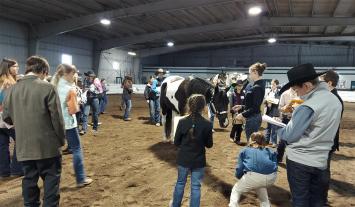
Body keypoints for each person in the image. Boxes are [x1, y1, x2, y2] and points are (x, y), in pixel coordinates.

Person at [2, 56, 65, 206]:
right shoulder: (48, 87)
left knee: (29, 181)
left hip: (24, 147)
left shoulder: (11, 90)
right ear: (43, 71)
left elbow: (6, 117)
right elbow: (57, 119)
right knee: (51, 183)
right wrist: (61, 140)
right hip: (47, 148)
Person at [277, 63, 342, 207]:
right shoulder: (334, 100)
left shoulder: (308, 105)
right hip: (322, 160)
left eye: (296, 90)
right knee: (318, 201)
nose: (296, 94)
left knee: (300, 200)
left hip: (301, 161)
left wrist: (280, 130)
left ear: (306, 86)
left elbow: (289, 135)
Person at [51, 64, 93, 187]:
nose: (75, 75)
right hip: (68, 123)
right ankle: (80, 178)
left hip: (54, 123)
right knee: (77, 149)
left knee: (54, 151)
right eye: (73, 73)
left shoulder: (53, 85)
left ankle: (52, 179)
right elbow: (73, 109)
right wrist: (79, 101)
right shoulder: (70, 88)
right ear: (67, 74)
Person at [171, 94, 213, 207]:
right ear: (203, 107)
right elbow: (209, 145)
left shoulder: (182, 121)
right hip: (198, 160)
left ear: (189, 106)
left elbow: (176, 143)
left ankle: (175, 205)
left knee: (180, 183)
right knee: (196, 186)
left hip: (183, 159)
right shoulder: (208, 124)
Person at [229, 132, 277, 207]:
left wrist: (239, 177)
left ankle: (233, 205)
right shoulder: (270, 151)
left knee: (236, 190)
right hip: (272, 177)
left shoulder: (245, 150)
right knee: (260, 185)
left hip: (254, 177)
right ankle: (266, 204)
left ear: (251, 140)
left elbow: (239, 168)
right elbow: (274, 165)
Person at [319, 69, 344, 205]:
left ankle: (322, 199)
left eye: (322, 82)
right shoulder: (331, 97)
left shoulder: (334, 99)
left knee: (323, 172)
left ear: (329, 83)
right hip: (326, 141)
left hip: (327, 142)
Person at [232, 62, 266, 143]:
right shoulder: (258, 85)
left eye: (250, 73)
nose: (249, 75)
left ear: (256, 72)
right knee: (252, 142)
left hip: (253, 118)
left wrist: (242, 114)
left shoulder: (257, 87)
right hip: (253, 117)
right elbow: (253, 104)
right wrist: (242, 106)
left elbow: (255, 107)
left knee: (252, 143)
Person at [0, 58, 23, 179]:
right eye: (15, 66)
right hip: (8, 117)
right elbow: (9, 103)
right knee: (20, 141)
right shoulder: (9, 83)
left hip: (1, 118)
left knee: (2, 145)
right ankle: (17, 169)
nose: (17, 68)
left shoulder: (2, 80)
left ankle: (4, 171)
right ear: (8, 68)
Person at [276, 87, 299, 163]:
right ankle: (279, 158)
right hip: (286, 119)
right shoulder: (285, 94)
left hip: (297, 119)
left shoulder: (301, 93)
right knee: (283, 140)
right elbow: (279, 108)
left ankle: (293, 160)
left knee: (295, 140)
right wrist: (285, 108)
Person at [80, 71, 102, 135]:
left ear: (93, 76)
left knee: (95, 114)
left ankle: (95, 127)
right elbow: (84, 88)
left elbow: (100, 91)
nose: (89, 77)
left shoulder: (96, 81)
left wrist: (94, 90)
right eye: (88, 76)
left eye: (90, 76)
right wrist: (84, 90)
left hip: (94, 99)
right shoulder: (85, 80)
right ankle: (84, 129)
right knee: (85, 113)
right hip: (87, 99)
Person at [264, 79, 280, 147]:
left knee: (274, 127)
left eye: (273, 84)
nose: (272, 86)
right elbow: (265, 101)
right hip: (269, 111)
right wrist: (267, 103)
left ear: (277, 85)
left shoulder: (279, 92)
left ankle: (274, 142)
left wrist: (271, 101)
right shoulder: (269, 92)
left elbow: (278, 101)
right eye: (271, 84)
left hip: (275, 111)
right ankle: (266, 141)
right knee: (268, 127)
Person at [229, 80, 245, 144]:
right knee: (235, 125)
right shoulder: (233, 94)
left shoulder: (244, 94)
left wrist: (243, 109)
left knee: (240, 126)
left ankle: (238, 139)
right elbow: (231, 104)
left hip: (242, 112)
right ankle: (231, 137)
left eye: (241, 85)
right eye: (238, 85)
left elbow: (245, 103)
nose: (239, 87)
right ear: (236, 86)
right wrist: (233, 110)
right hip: (235, 112)